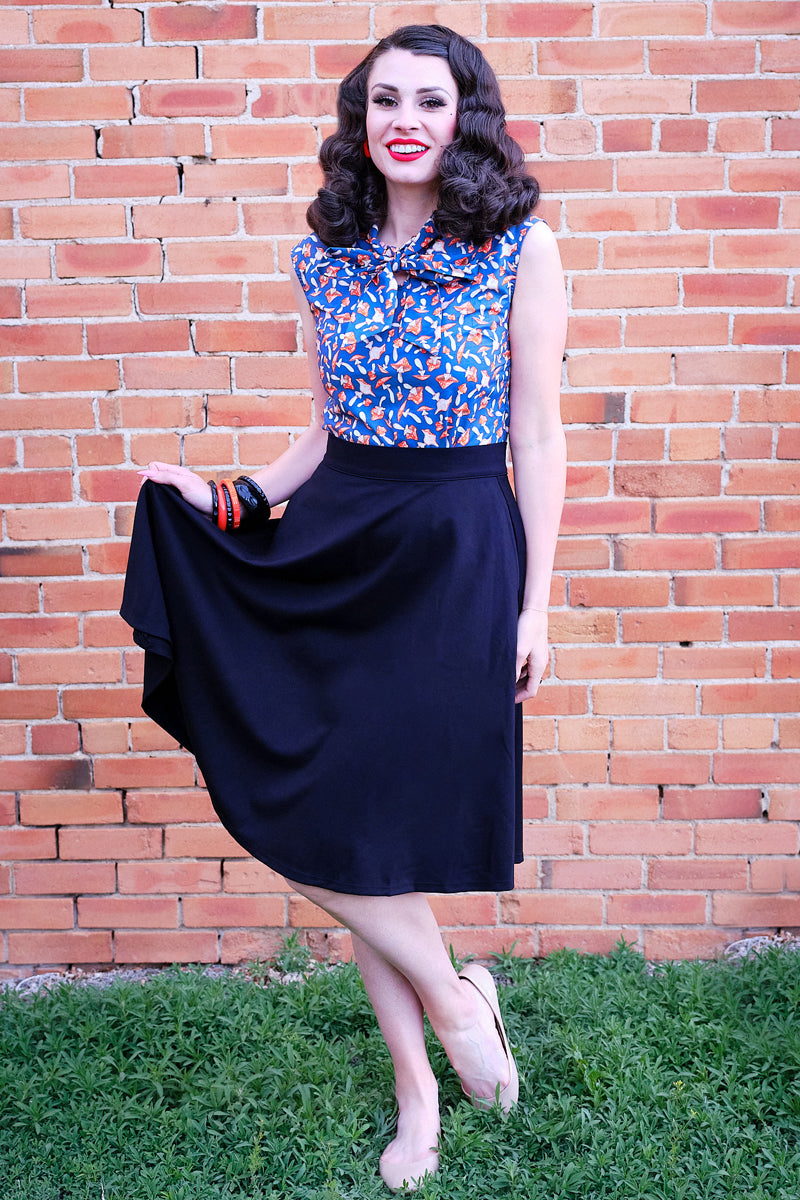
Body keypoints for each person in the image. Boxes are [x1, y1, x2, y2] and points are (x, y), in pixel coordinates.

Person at [121, 23, 567, 1193]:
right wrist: (222, 496)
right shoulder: (321, 253)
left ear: (464, 113)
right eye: (382, 100)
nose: (402, 117)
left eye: (429, 97)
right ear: (358, 119)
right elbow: (319, 436)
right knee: (334, 817)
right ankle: (441, 1038)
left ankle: (442, 1033)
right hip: (334, 541)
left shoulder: (516, 246)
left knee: (379, 832)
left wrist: (534, 604)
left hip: (457, 548)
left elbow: (537, 432)